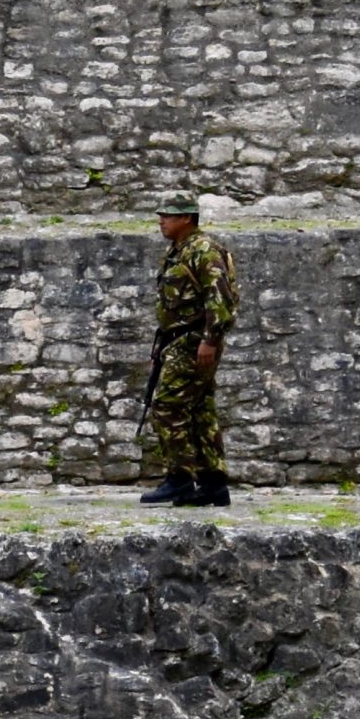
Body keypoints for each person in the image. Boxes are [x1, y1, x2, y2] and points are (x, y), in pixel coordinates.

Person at [138, 192, 239, 507]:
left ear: (186, 218)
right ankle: (212, 484)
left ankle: (180, 478)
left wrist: (210, 339)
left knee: (168, 407)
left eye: (167, 215)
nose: (161, 221)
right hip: (179, 340)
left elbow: (220, 299)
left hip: (195, 342)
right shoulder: (178, 252)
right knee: (199, 411)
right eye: (161, 215)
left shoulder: (203, 251)